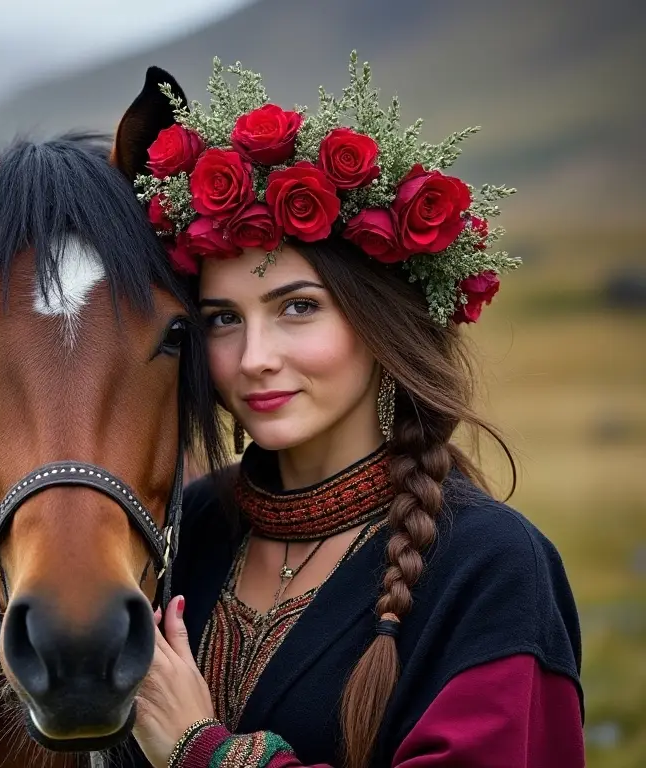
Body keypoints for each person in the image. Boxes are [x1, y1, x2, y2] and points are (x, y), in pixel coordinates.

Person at [120, 55, 584, 768]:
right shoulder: (187, 532)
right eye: (221, 319)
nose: (253, 358)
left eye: (297, 308)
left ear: (380, 324)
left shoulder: (491, 567)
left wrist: (203, 752)